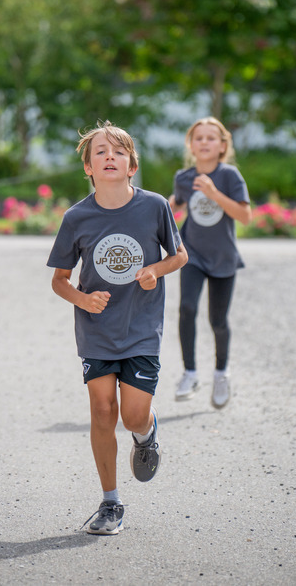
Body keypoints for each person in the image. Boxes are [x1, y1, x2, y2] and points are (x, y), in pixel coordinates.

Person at [47, 122, 188, 535]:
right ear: (88, 168)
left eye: (119, 152)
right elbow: (59, 280)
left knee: (133, 415)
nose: (110, 156)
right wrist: (84, 300)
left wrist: (155, 271)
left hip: (142, 327)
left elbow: (178, 256)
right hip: (97, 330)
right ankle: (111, 503)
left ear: (132, 165)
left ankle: (146, 435)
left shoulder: (154, 206)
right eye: (100, 152)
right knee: (102, 409)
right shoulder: (77, 217)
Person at [169, 117, 251, 409]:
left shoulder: (230, 176)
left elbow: (244, 216)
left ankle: (220, 373)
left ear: (222, 146)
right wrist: (159, 210)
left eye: (211, 138)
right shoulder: (184, 177)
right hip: (192, 253)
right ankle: (190, 372)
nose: (204, 142)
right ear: (190, 145)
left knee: (217, 320)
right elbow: (178, 203)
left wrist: (214, 193)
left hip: (223, 257)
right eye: (198, 138)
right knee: (187, 308)